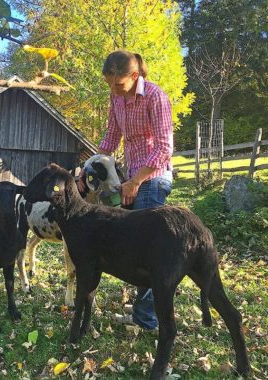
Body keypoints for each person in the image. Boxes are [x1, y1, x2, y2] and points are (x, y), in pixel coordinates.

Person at [79, 49, 173, 330]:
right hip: (129, 179)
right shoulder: (116, 97)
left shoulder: (156, 97)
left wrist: (136, 181)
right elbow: (111, 136)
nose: (113, 89)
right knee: (131, 247)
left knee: (147, 250)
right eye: (109, 83)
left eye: (117, 84)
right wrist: (87, 168)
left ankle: (147, 319)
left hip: (153, 178)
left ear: (134, 76)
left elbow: (164, 148)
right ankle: (142, 314)